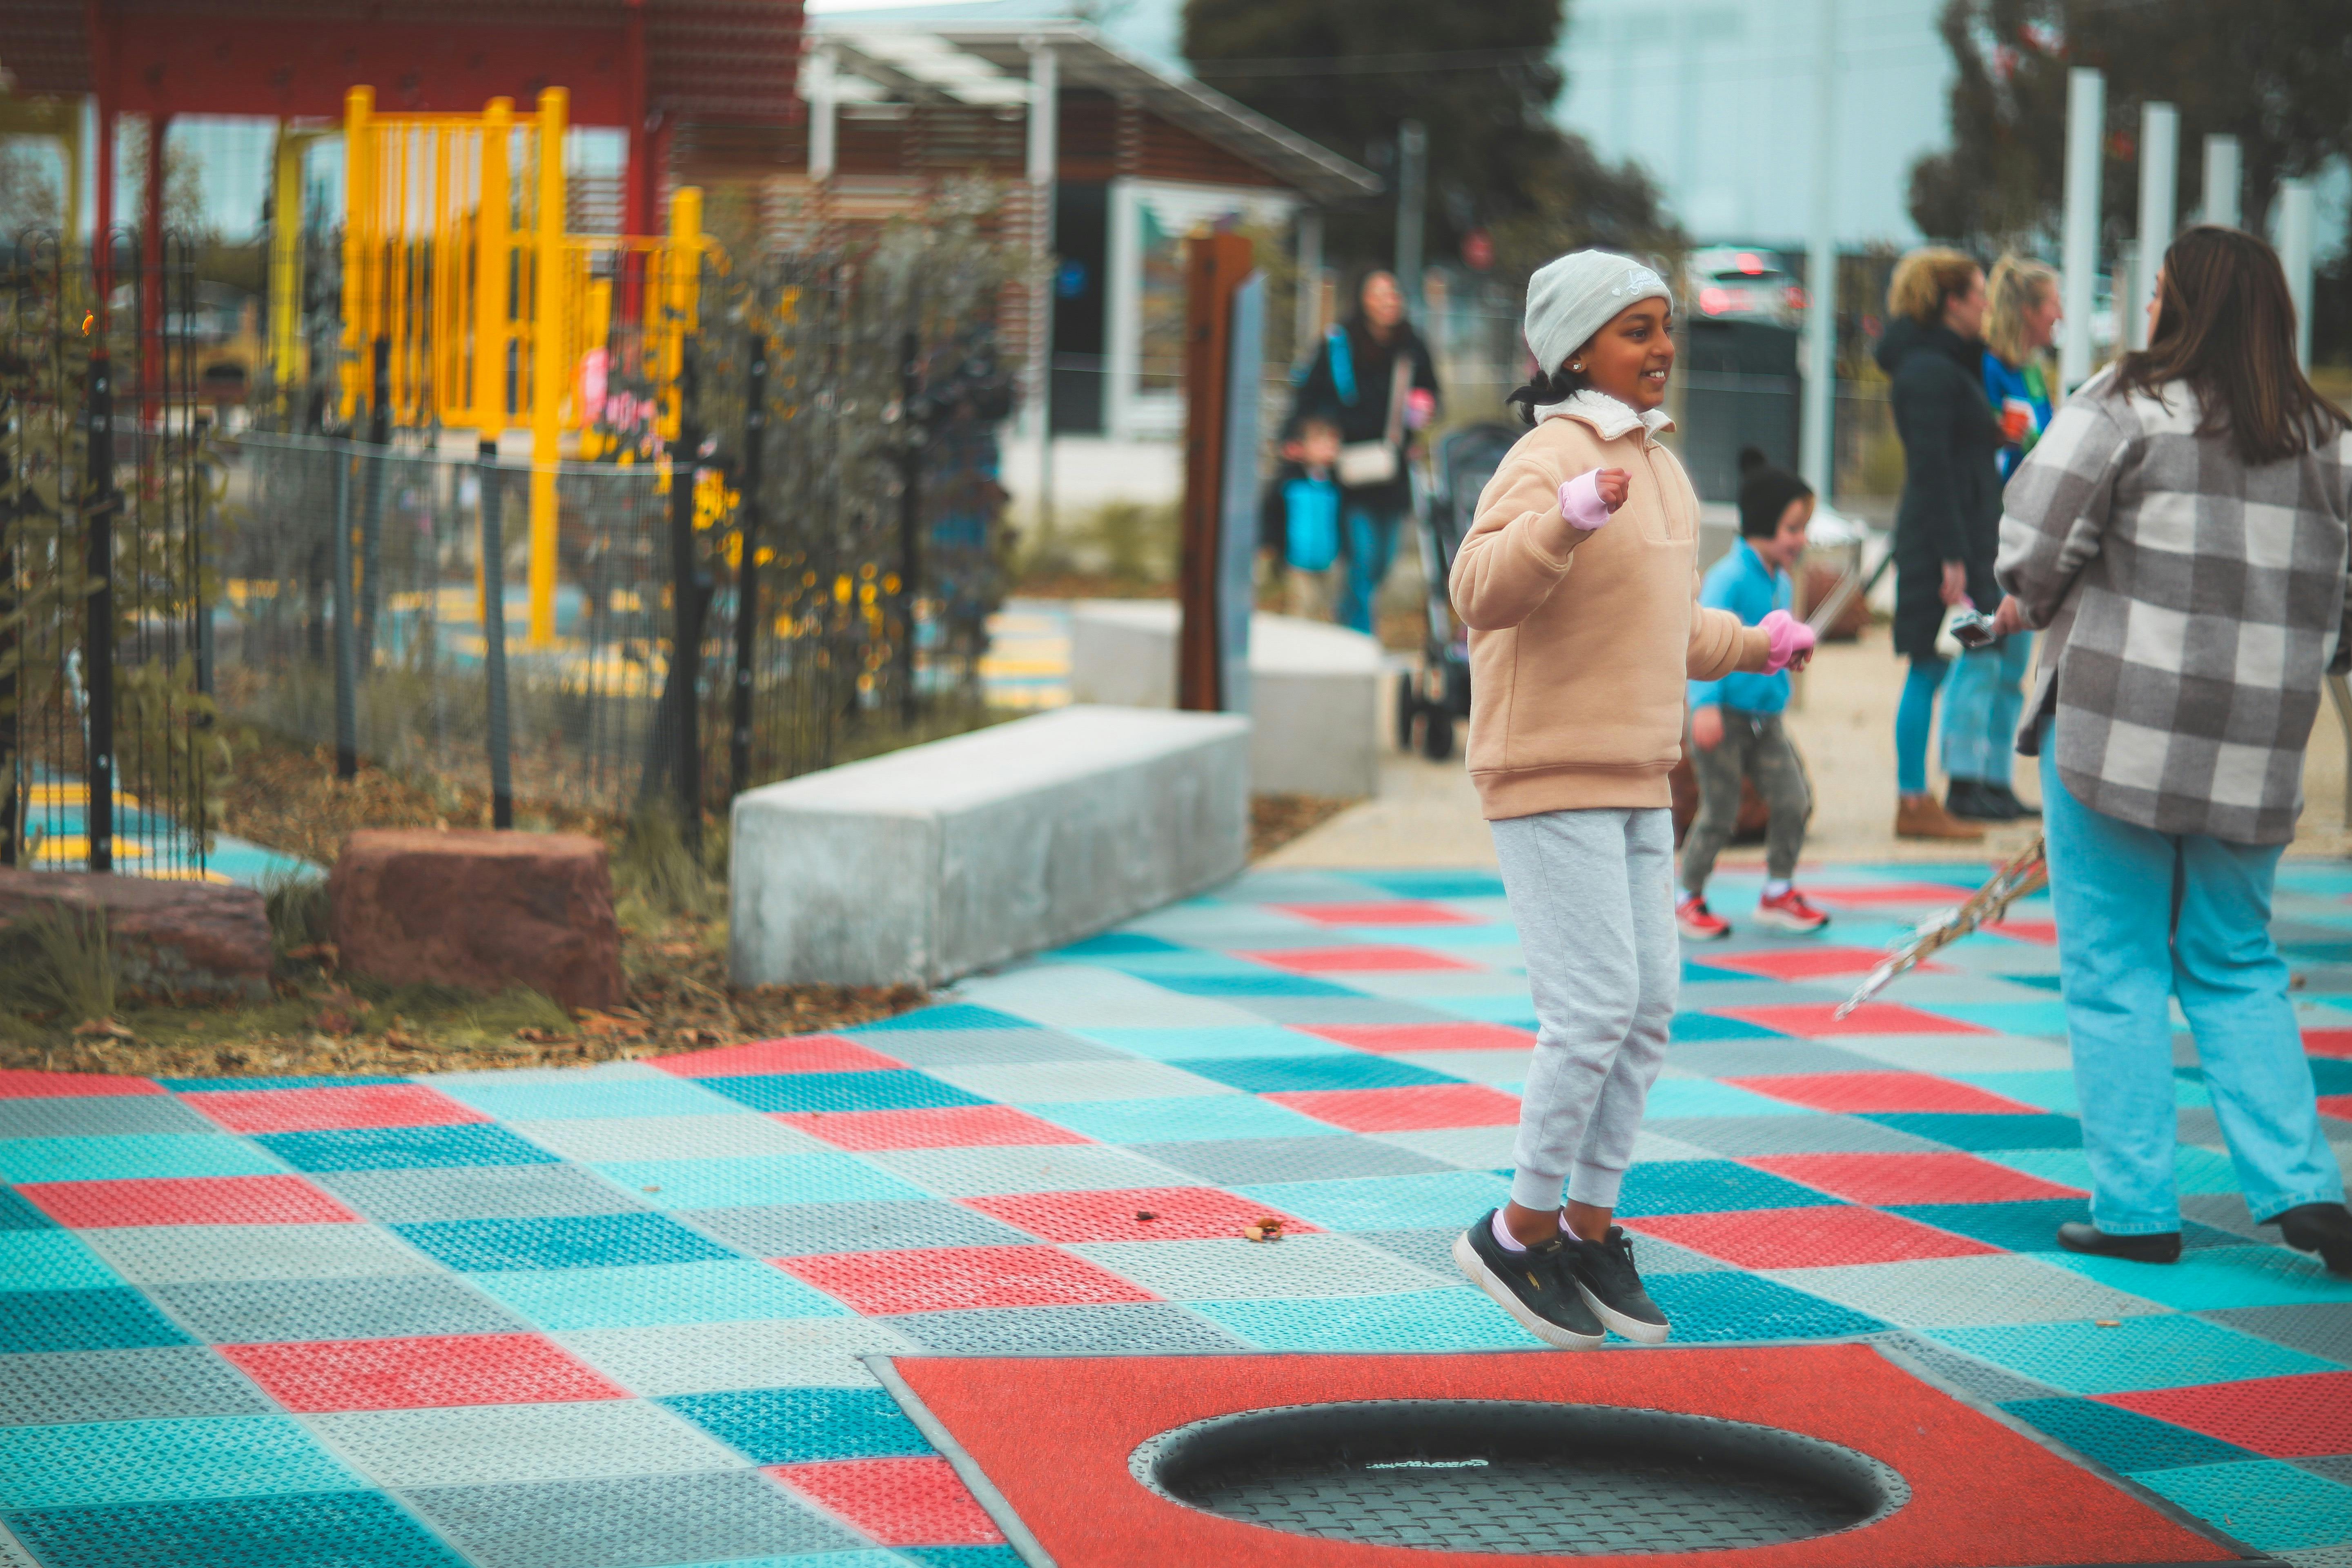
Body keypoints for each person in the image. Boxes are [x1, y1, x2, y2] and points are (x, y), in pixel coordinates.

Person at [1446, 250, 1815, 1347]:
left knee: (1650, 1005)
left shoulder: (1662, 470)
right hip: (1548, 766)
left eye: (1666, 327)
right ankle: (1515, 1234)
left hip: (1639, 775)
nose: (1661, 347)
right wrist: (1561, 519)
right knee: (1594, 1005)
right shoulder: (1546, 455)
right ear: (1572, 350)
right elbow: (1478, 591)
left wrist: (1758, 643)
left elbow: (1668, 624)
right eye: (1635, 329)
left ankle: (1590, 1229)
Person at [1993, 225, 2352, 1276]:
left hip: (2116, 729)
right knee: (2235, 960)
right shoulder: (2328, 438)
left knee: (2111, 965)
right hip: (2251, 746)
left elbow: (2029, 543)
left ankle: (2137, 1205)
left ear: (2175, 305)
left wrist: (2036, 599)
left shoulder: (2121, 407)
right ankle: (2301, 1188)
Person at [1677, 448, 1830, 940]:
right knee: (1720, 811)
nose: (1801, 540)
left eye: (1803, 528)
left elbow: (1775, 642)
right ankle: (1687, 895)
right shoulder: (1728, 579)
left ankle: (1778, 890)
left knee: (1793, 801)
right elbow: (1702, 642)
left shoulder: (1781, 580)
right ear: (1763, 526)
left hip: (1766, 720)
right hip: (1724, 715)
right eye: (1792, 529)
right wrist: (1703, 706)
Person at [1879, 248, 2002, 840]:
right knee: (1928, 665)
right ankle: (1913, 800)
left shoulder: (1949, 363)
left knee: (1967, 655)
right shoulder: (1928, 371)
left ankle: (1952, 788)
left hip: (1960, 542)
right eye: (1978, 293)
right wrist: (1952, 558)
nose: (1986, 304)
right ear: (1951, 301)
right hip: (1939, 546)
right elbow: (1933, 469)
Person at [1943, 254, 2063, 822]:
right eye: (2051, 303)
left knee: (2013, 662)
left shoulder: (2035, 372)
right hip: (1985, 530)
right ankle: (1961, 779)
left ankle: (1995, 778)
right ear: (2028, 311)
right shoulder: (1986, 367)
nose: (2060, 313)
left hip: (2026, 531)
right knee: (1978, 653)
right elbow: (1973, 440)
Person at [1294, 270, 1441, 635]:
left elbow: (1432, 395)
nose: (1387, 301)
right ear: (1363, 300)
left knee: (1383, 560)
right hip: (1349, 470)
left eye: (1393, 294)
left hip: (1392, 469)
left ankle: (1346, 617)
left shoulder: (1411, 345)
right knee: (1361, 559)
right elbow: (1310, 396)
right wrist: (1313, 438)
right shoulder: (1339, 344)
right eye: (1378, 294)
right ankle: (1361, 638)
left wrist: (1424, 411)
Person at [1259, 414, 1344, 620]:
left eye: (1331, 443)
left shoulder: (1338, 482)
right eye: (1319, 443)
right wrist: (1269, 544)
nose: (1327, 449)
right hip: (1296, 560)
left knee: (1326, 611)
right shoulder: (1289, 481)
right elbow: (1273, 514)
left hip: (1329, 558)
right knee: (1301, 609)